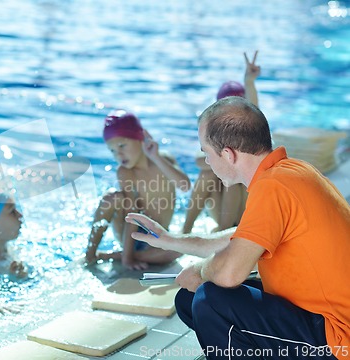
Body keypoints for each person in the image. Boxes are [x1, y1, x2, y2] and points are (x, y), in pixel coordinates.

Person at [126, 96, 350, 359]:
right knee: (190, 300)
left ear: (228, 154)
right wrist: (171, 239)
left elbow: (229, 273)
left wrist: (200, 270)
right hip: (320, 318)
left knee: (211, 300)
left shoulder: (273, 187)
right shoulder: (292, 172)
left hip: (336, 339)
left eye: (206, 153)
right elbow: (236, 238)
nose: (207, 162)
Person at [85, 110, 191, 270]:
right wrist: (128, 258)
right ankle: (90, 254)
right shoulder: (126, 172)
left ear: (140, 137)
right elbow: (131, 212)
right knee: (112, 198)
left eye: (122, 145)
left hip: (156, 237)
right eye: (112, 150)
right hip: (130, 235)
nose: (118, 154)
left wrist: (155, 157)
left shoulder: (164, 160)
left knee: (176, 252)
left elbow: (184, 186)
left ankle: (112, 256)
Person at [183, 51, 260, 234]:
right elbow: (199, 160)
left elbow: (255, 110)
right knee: (208, 175)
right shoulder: (213, 135)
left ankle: (224, 233)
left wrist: (249, 82)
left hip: (245, 212)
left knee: (234, 175)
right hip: (222, 210)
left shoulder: (252, 135)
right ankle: (185, 231)